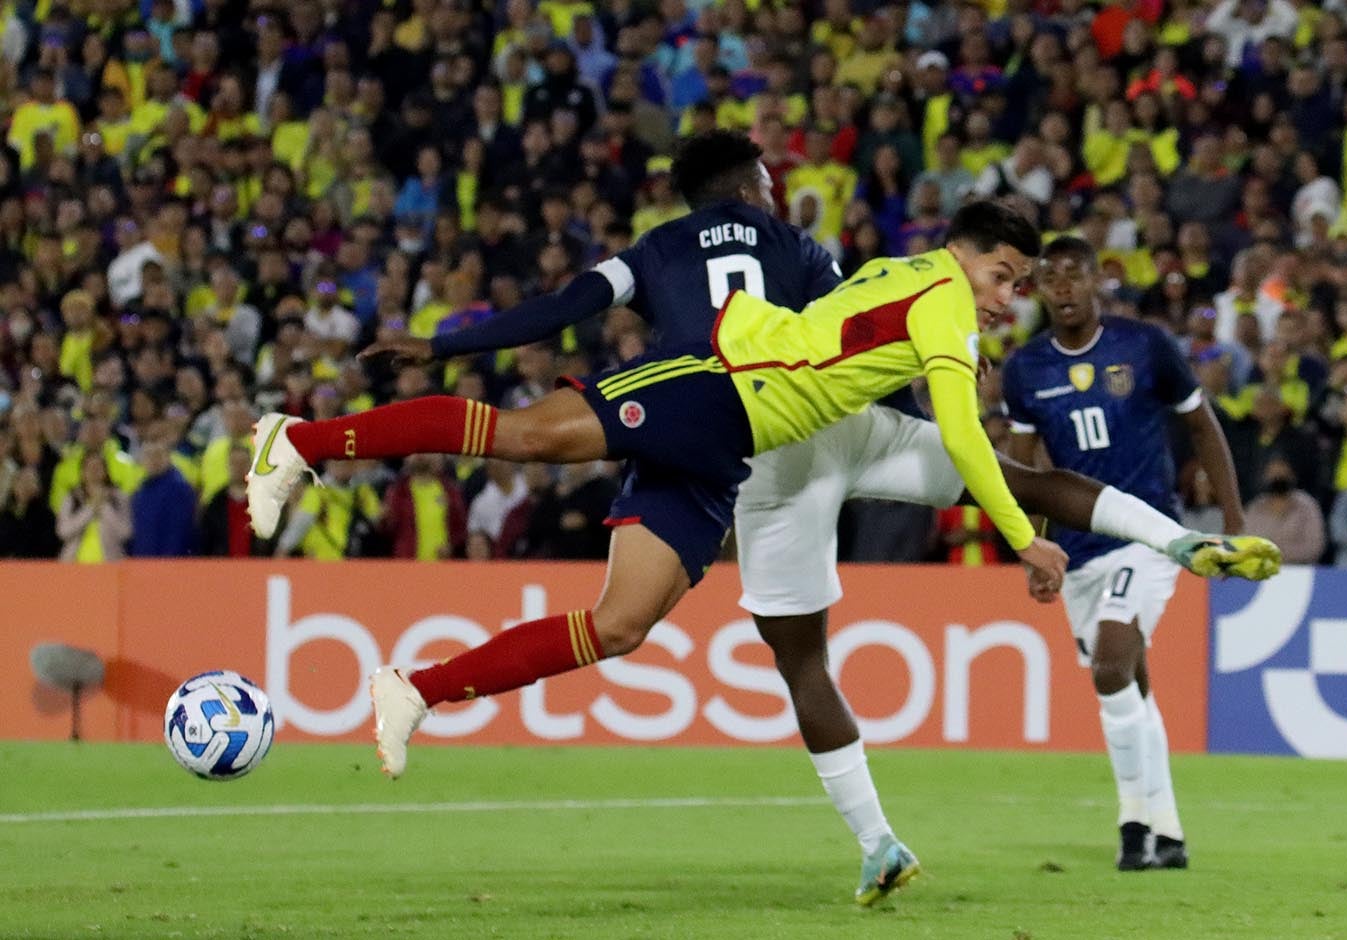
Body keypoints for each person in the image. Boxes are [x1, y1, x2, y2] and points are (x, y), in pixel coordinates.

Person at [254, 185, 1271, 901]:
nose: (1007, 296)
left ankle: (418, 689)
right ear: (964, 255)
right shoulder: (943, 305)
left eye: (1011, 282)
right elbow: (963, 436)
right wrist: (1024, 542)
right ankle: (297, 441)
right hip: (714, 391)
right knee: (521, 434)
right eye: (1002, 273)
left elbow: (851, 347)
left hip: (735, 445)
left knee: (619, 625)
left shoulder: (906, 273)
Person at [1002, 235, 1260, 873]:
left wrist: (1232, 521)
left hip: (1147, 538)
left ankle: (1131, 828)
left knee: (1112, 667)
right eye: (1051, 278)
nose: (1063, 287)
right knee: (1131, 689)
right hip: (1077, 547)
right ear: (1039, 290)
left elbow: (1201, 425)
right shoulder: (1026, 369)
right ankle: (1167, 833)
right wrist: (1031, 544)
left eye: (1074, 274)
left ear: (1097, 282)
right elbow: (1028, 468)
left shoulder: (1144, 346)